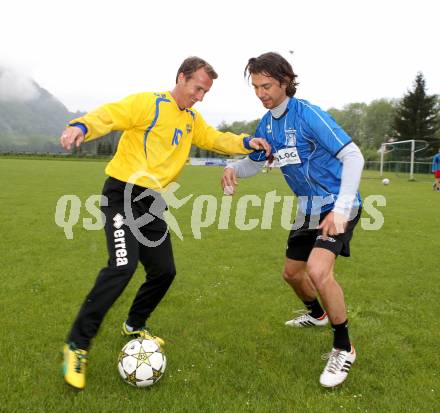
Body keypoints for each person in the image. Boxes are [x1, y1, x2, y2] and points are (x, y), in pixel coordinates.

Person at [60, 56, 270, 389]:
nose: (200, 96)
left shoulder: (191, 119)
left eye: (205, 92)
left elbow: (216, 139)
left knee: (164, 271)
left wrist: (247, 142)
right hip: (122, 194)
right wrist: (82, 126)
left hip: (152, 202)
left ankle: (134, 325)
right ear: (181, 78)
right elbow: (112, 114)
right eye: (198, 88)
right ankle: (77, 344)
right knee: (122, 266)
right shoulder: (150, 104)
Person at [221, 52, 364, 388]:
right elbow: (255, 163)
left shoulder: (308, 114)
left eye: (267, 85)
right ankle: (316, 315)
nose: (261, 93)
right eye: (255, 86)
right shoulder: (266, 125)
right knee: (292, 274)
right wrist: (231, 167)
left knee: (318, 270)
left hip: (337, 205)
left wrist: (341, 209)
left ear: (285, 81)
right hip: (307, 209)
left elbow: (353, 155)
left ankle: (344, 346)